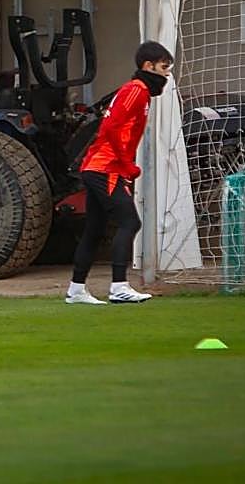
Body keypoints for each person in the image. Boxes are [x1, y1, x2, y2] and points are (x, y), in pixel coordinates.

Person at [65, 40, 173, 306]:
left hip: (98, 166)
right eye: (164, 67)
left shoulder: (136, 91)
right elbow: (111, 128)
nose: (167, 74)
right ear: (148, 66)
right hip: (106, 168)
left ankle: (76, 289)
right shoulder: (137, 90)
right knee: (130, 222)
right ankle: (119, 287)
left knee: (95, 229)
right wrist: (125, 164)